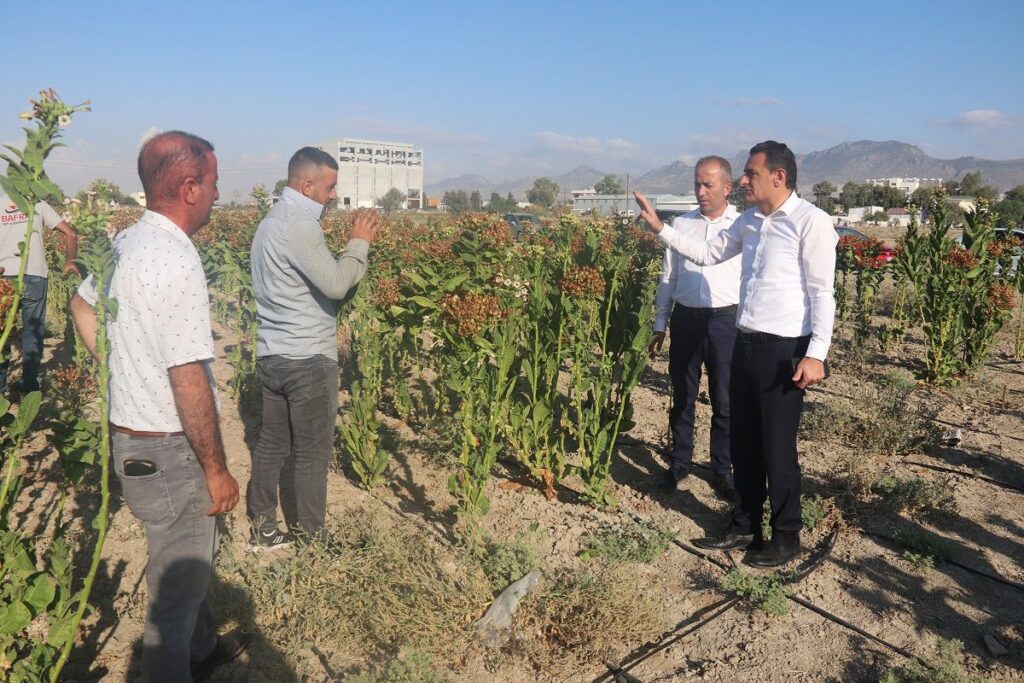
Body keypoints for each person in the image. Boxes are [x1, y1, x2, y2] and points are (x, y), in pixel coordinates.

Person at [71, 131, 248, 681]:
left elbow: (81, 305)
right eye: (214, 184)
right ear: (191, 187)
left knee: (178, 558)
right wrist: (216, 469)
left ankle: (203, 651)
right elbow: (189, 377)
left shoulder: (126, 242)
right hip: (170, 450)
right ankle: (176, 663)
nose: (219, 195)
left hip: (132, 443)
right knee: (173, 596)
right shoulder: (175, 260)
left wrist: (122, 364)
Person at [636, 140, 836, 568]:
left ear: (778, 177)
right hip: (744, 342)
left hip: (784, 351)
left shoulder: (810, 222)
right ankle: (745, 523)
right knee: (744, 444)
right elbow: (708, 253)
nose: (744, 181)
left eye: (751, 174)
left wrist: (816, 354)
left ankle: (786, 536)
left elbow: (823, 293)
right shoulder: (749, 222)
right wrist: (662, 230)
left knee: (777, 449)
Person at [247, 146, 380, 548]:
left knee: (271, 444)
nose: (333, 195)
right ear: (307, 185)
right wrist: (358, 244)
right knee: (311, 455)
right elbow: (337, 285)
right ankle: (313, 542)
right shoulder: (299, 226)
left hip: (273, 355)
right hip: (306, 359)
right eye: (329, 186)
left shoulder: (270, 222)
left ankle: (263, 528)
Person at [648, 156, 740, 500]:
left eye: (708, 185)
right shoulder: (681, 225)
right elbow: (668, 277)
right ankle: (680, 463)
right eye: (697, 184)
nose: (701, 191)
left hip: (726, 322)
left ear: (727, 188)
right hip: (686, 320)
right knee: (683, 396)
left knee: (725, 400)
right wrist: (661, 323)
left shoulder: (740, 226)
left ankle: (722, 469)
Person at [0, 193, 80, 394]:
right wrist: (69, 261)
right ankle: (30, 389)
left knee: (3, 332)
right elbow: (71, 234)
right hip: (35, 275)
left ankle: (0, 390)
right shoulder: (38, 204)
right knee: (32, 334)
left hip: (3, 277)